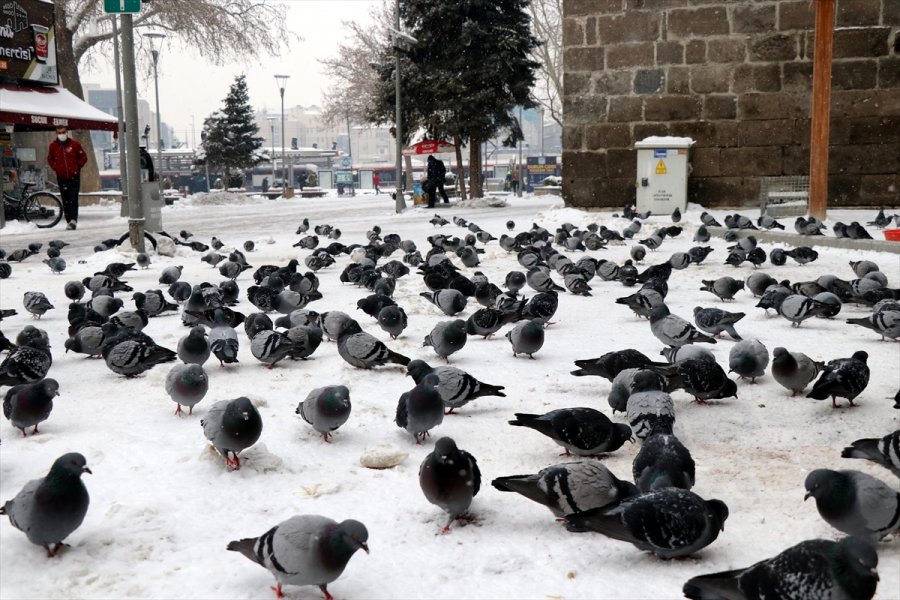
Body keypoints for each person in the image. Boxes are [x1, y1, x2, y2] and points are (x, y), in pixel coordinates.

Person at [46, 125, 87, 230]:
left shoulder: (75, 144)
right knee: (65, 199)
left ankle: (73, 220)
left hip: (74, 176)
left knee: (73, 198)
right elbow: (50, 159)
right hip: (61, 177)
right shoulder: (53, 146)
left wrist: (77, 166)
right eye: (59, 133)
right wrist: (56, 168)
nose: (62, 134)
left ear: (67, 132)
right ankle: (68, 220)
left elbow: (83, 157)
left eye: (63, 132)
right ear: (56, 133)